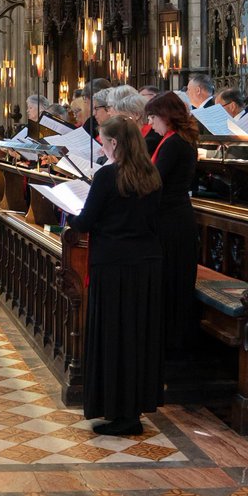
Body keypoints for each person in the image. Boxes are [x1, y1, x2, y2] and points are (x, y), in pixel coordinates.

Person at [66, 116, 163, 436]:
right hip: (145, 267)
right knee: (136, 338)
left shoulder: (108, 176)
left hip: (113, 269)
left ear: (115, 144)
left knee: (114, 337)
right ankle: (131, 409)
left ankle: (120, 414)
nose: (101, 146)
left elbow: (86, 221)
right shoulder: (151, 174)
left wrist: (69, 210)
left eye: (103, 141)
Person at [145, 91, 201, 353]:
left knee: (173, 281)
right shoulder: (174, 139)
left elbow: (155, 181)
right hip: (172, 217)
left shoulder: (175, 143)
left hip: (172, 222)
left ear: (166, 117)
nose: (151, 122)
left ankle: (173, 345)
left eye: (153, 117)